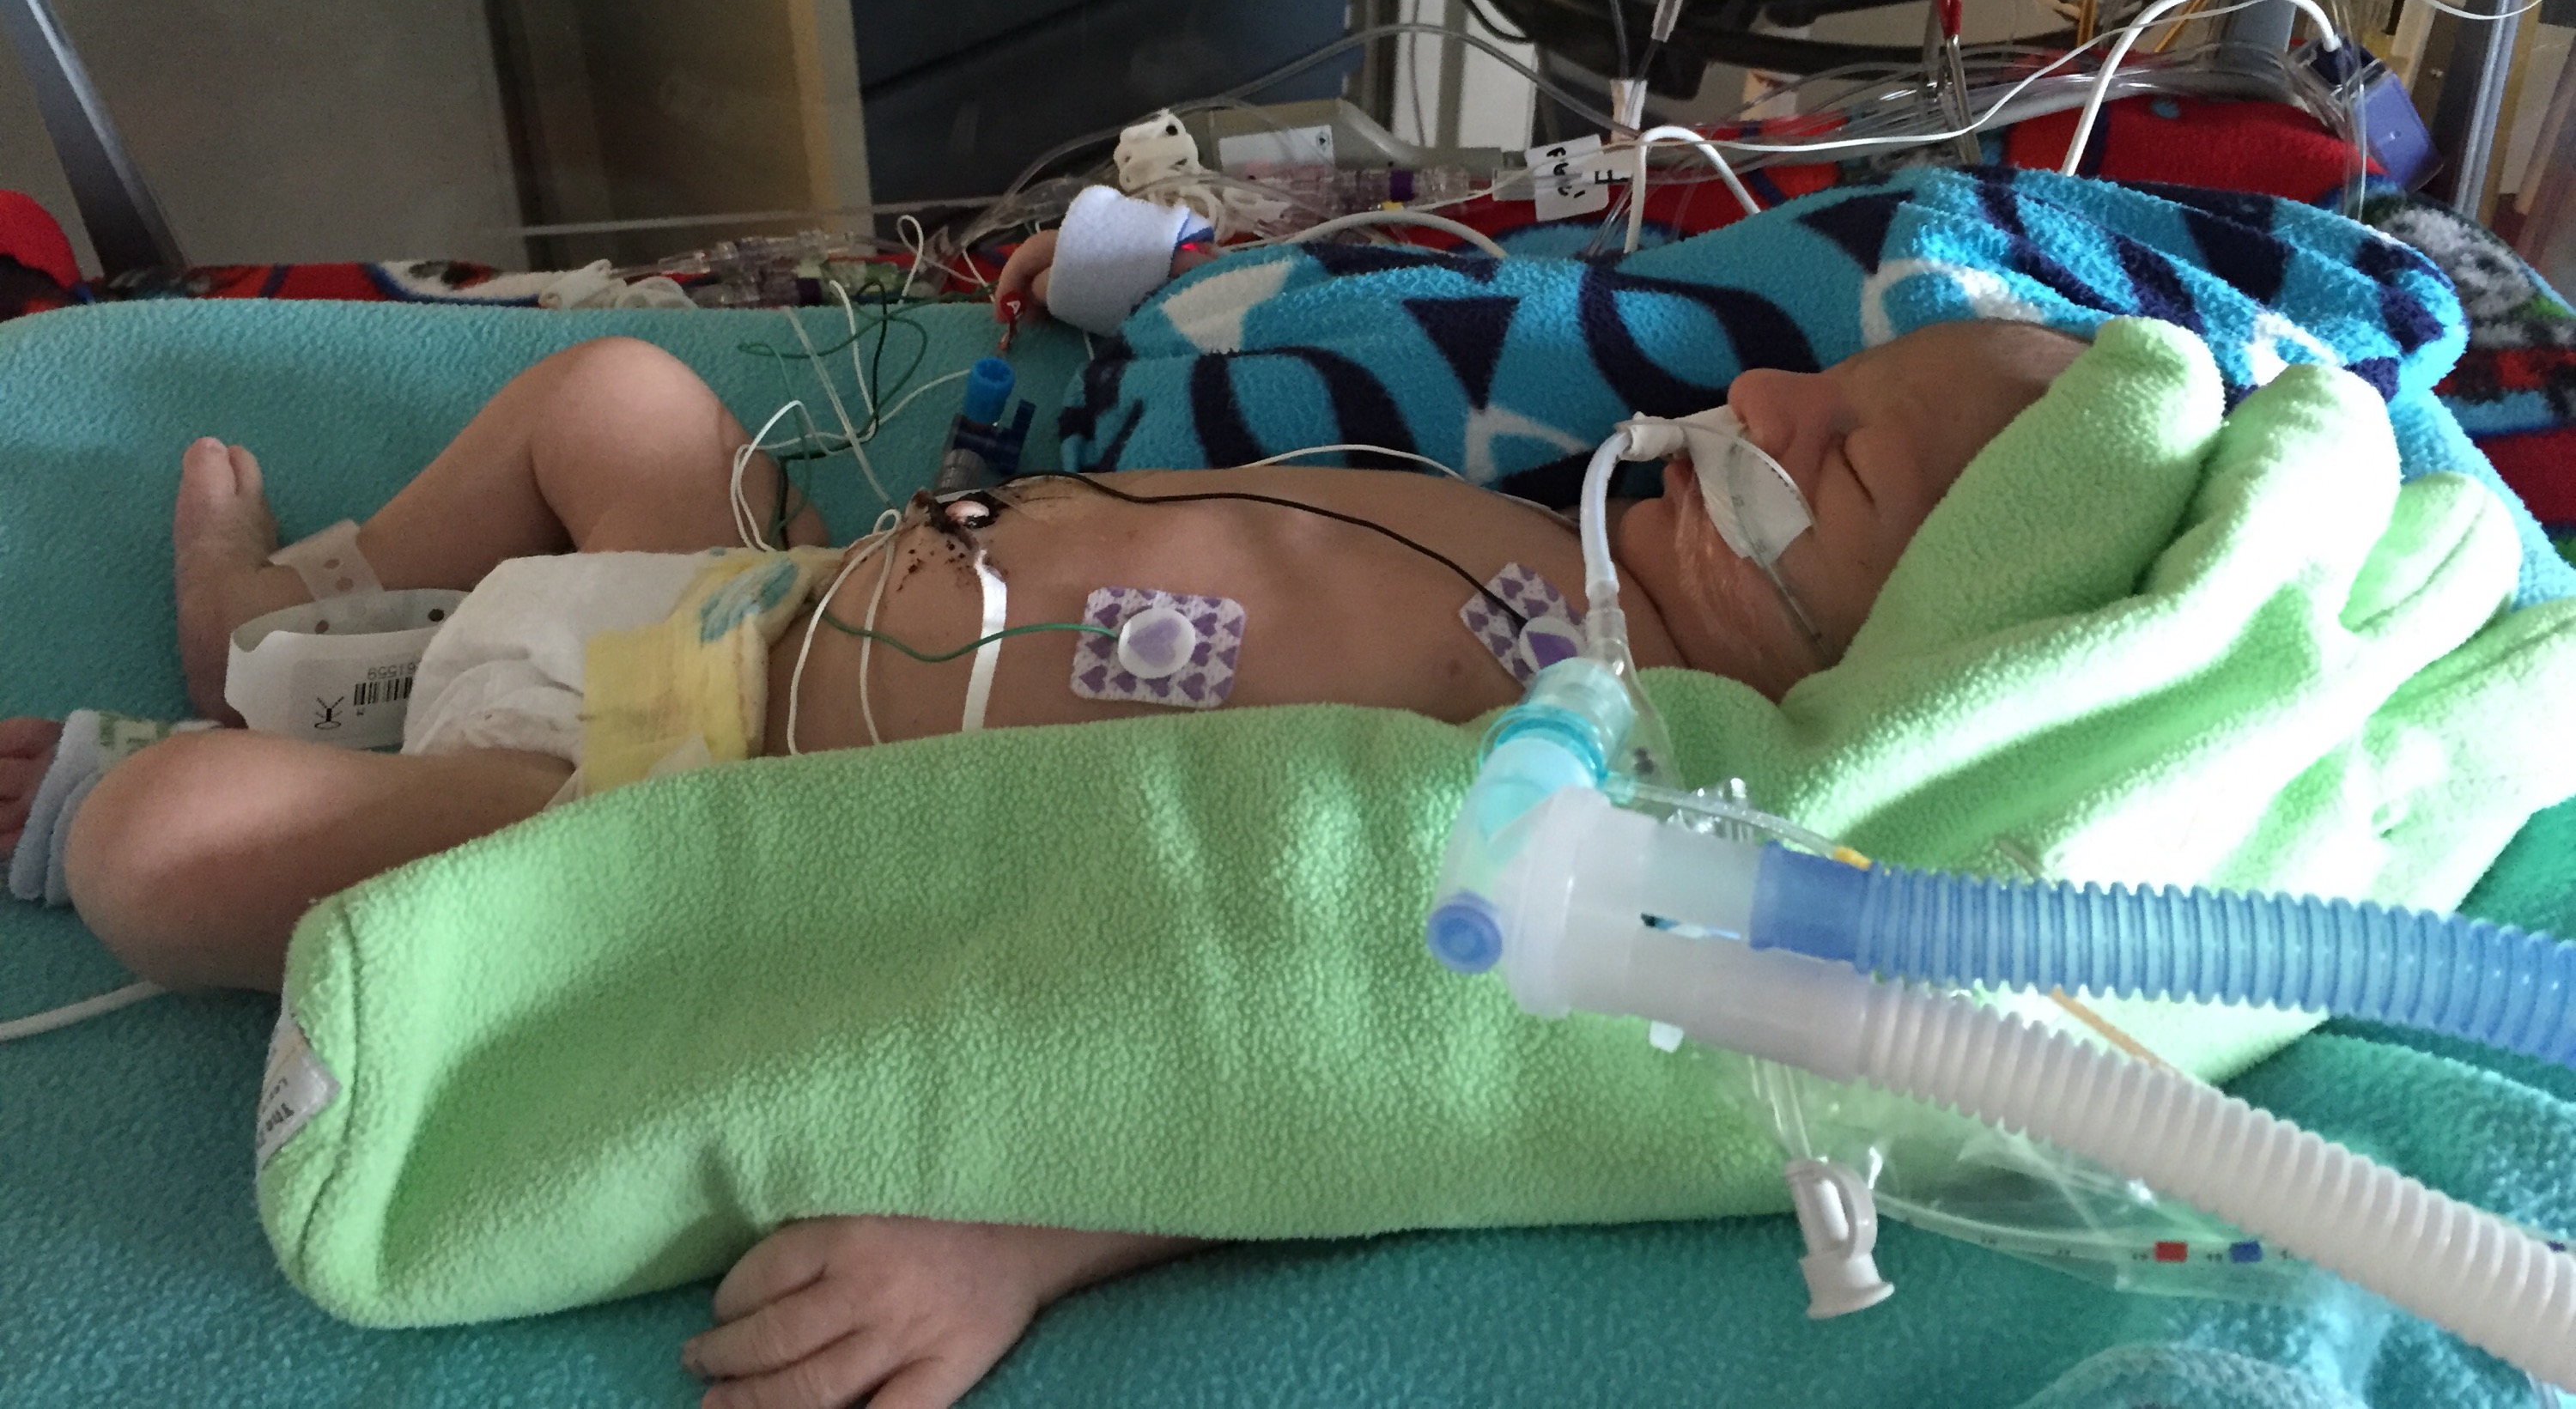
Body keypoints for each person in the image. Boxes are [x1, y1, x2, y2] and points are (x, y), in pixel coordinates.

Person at [0, 280, 2081, 1409]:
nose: (1770, 397)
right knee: (611, 387)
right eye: (1830, 373)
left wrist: (1022, 1234)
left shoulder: (1584, 789)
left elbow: (1336, 1066)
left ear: (1903, 647)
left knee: (159, 848)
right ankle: (299, 617)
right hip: (768, 596)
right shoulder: (1566, 529)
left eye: (1844, 458)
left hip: (689, 808)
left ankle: (221, 760)